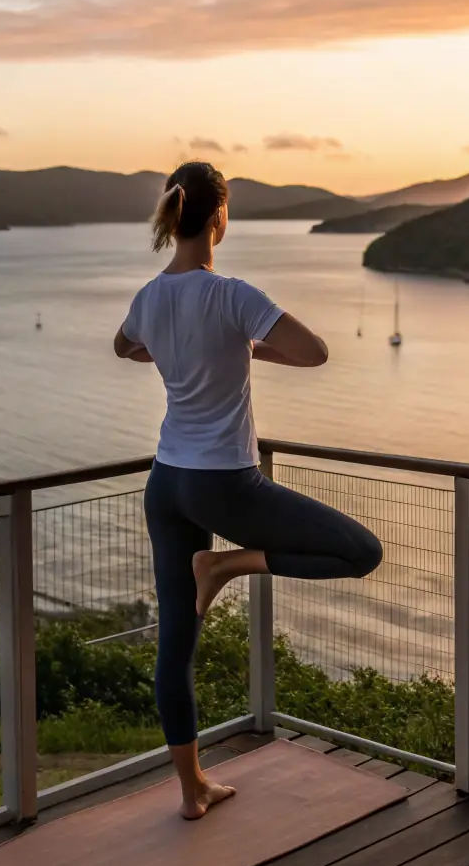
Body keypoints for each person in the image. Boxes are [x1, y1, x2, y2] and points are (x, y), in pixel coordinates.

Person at [114, 160, 383, 819]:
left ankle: (192, 789)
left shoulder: (149, 295)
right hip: (223, 484)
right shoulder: (232, 295)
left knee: (175, 644)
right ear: (219, 217)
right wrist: (242, 344)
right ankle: (229, 562)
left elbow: (126, 347)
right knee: (360, 550)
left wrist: (195, 352)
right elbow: (315, 350)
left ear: (174, 215)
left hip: (166, 482)